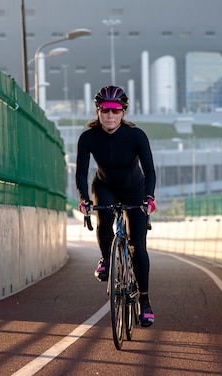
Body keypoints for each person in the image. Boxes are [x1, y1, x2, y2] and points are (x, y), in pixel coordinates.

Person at [75, 85, 157, 327]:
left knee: (138, 247)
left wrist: (149, 198)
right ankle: (105, 259)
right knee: (104, 221)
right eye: (105, 110)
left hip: (135, 189)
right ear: (98, 111)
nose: (110, 115)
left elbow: (150, 170)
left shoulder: (136, 136)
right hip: (104, 186)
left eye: (115, 110)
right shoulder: (88, 138)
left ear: (123, 112)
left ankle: (144, 301)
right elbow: (81, 173)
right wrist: (83, 199)